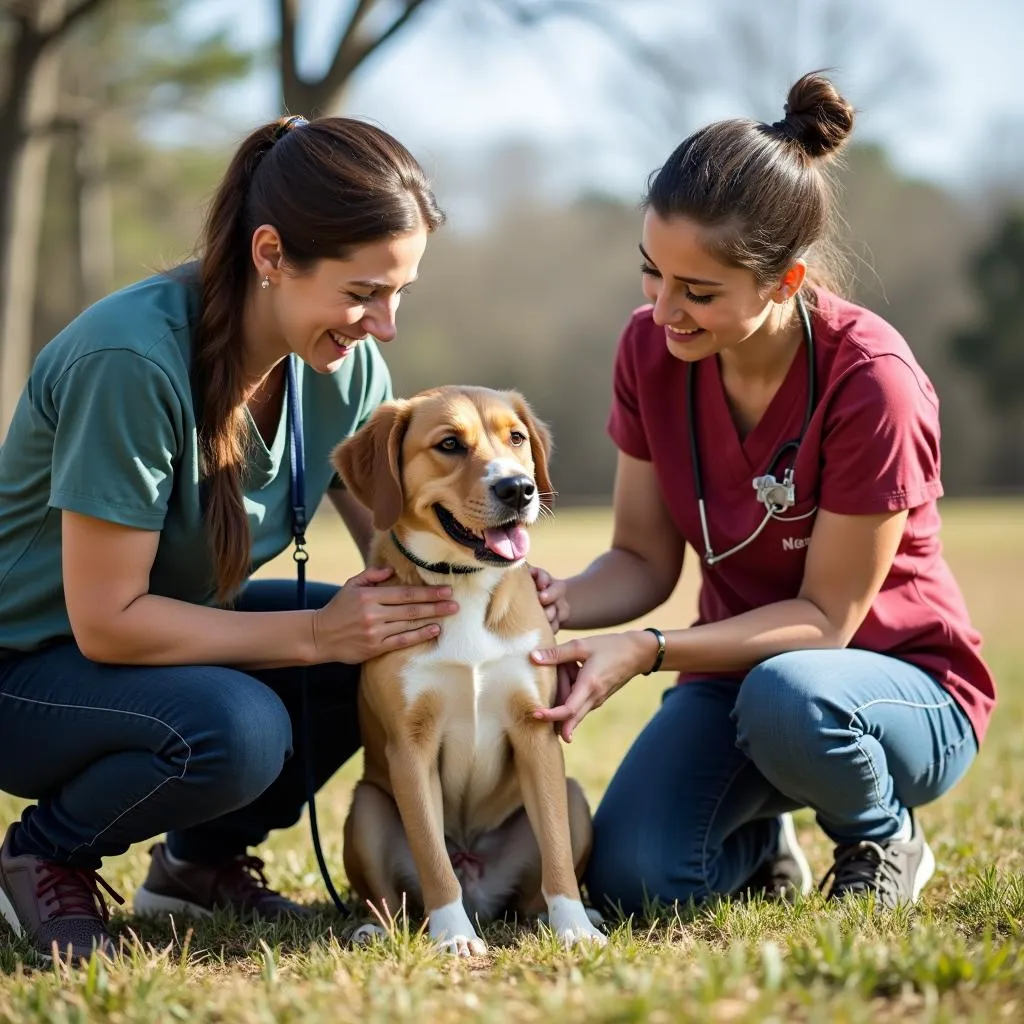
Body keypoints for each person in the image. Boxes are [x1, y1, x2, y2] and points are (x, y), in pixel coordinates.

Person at [528, 72, 996, 917]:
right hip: (735, 682)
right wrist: (553, 601)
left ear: (784, 282)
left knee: (794, 693)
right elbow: (639, 558)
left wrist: (649, 649)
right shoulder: (648, 352)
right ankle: (761, 842)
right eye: (653, 274)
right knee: (637, 881)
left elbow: (825, 623)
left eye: (698, 292)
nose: (664, 311)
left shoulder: (872, 383)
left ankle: (882, 834)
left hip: (890, 687)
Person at [0, 114, 460, 962]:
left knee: (394, 635)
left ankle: (196, 865)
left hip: (162, 636)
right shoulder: (129, 361)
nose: (384, 324)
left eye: (400, 293)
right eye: (363, 292)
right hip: (29, 667)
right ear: (272, 254)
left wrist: (509, 630)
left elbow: (397, 556)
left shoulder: (346, 370)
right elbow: (106, 622)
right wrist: (319, 633)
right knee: (237, 728)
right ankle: (45, 853)